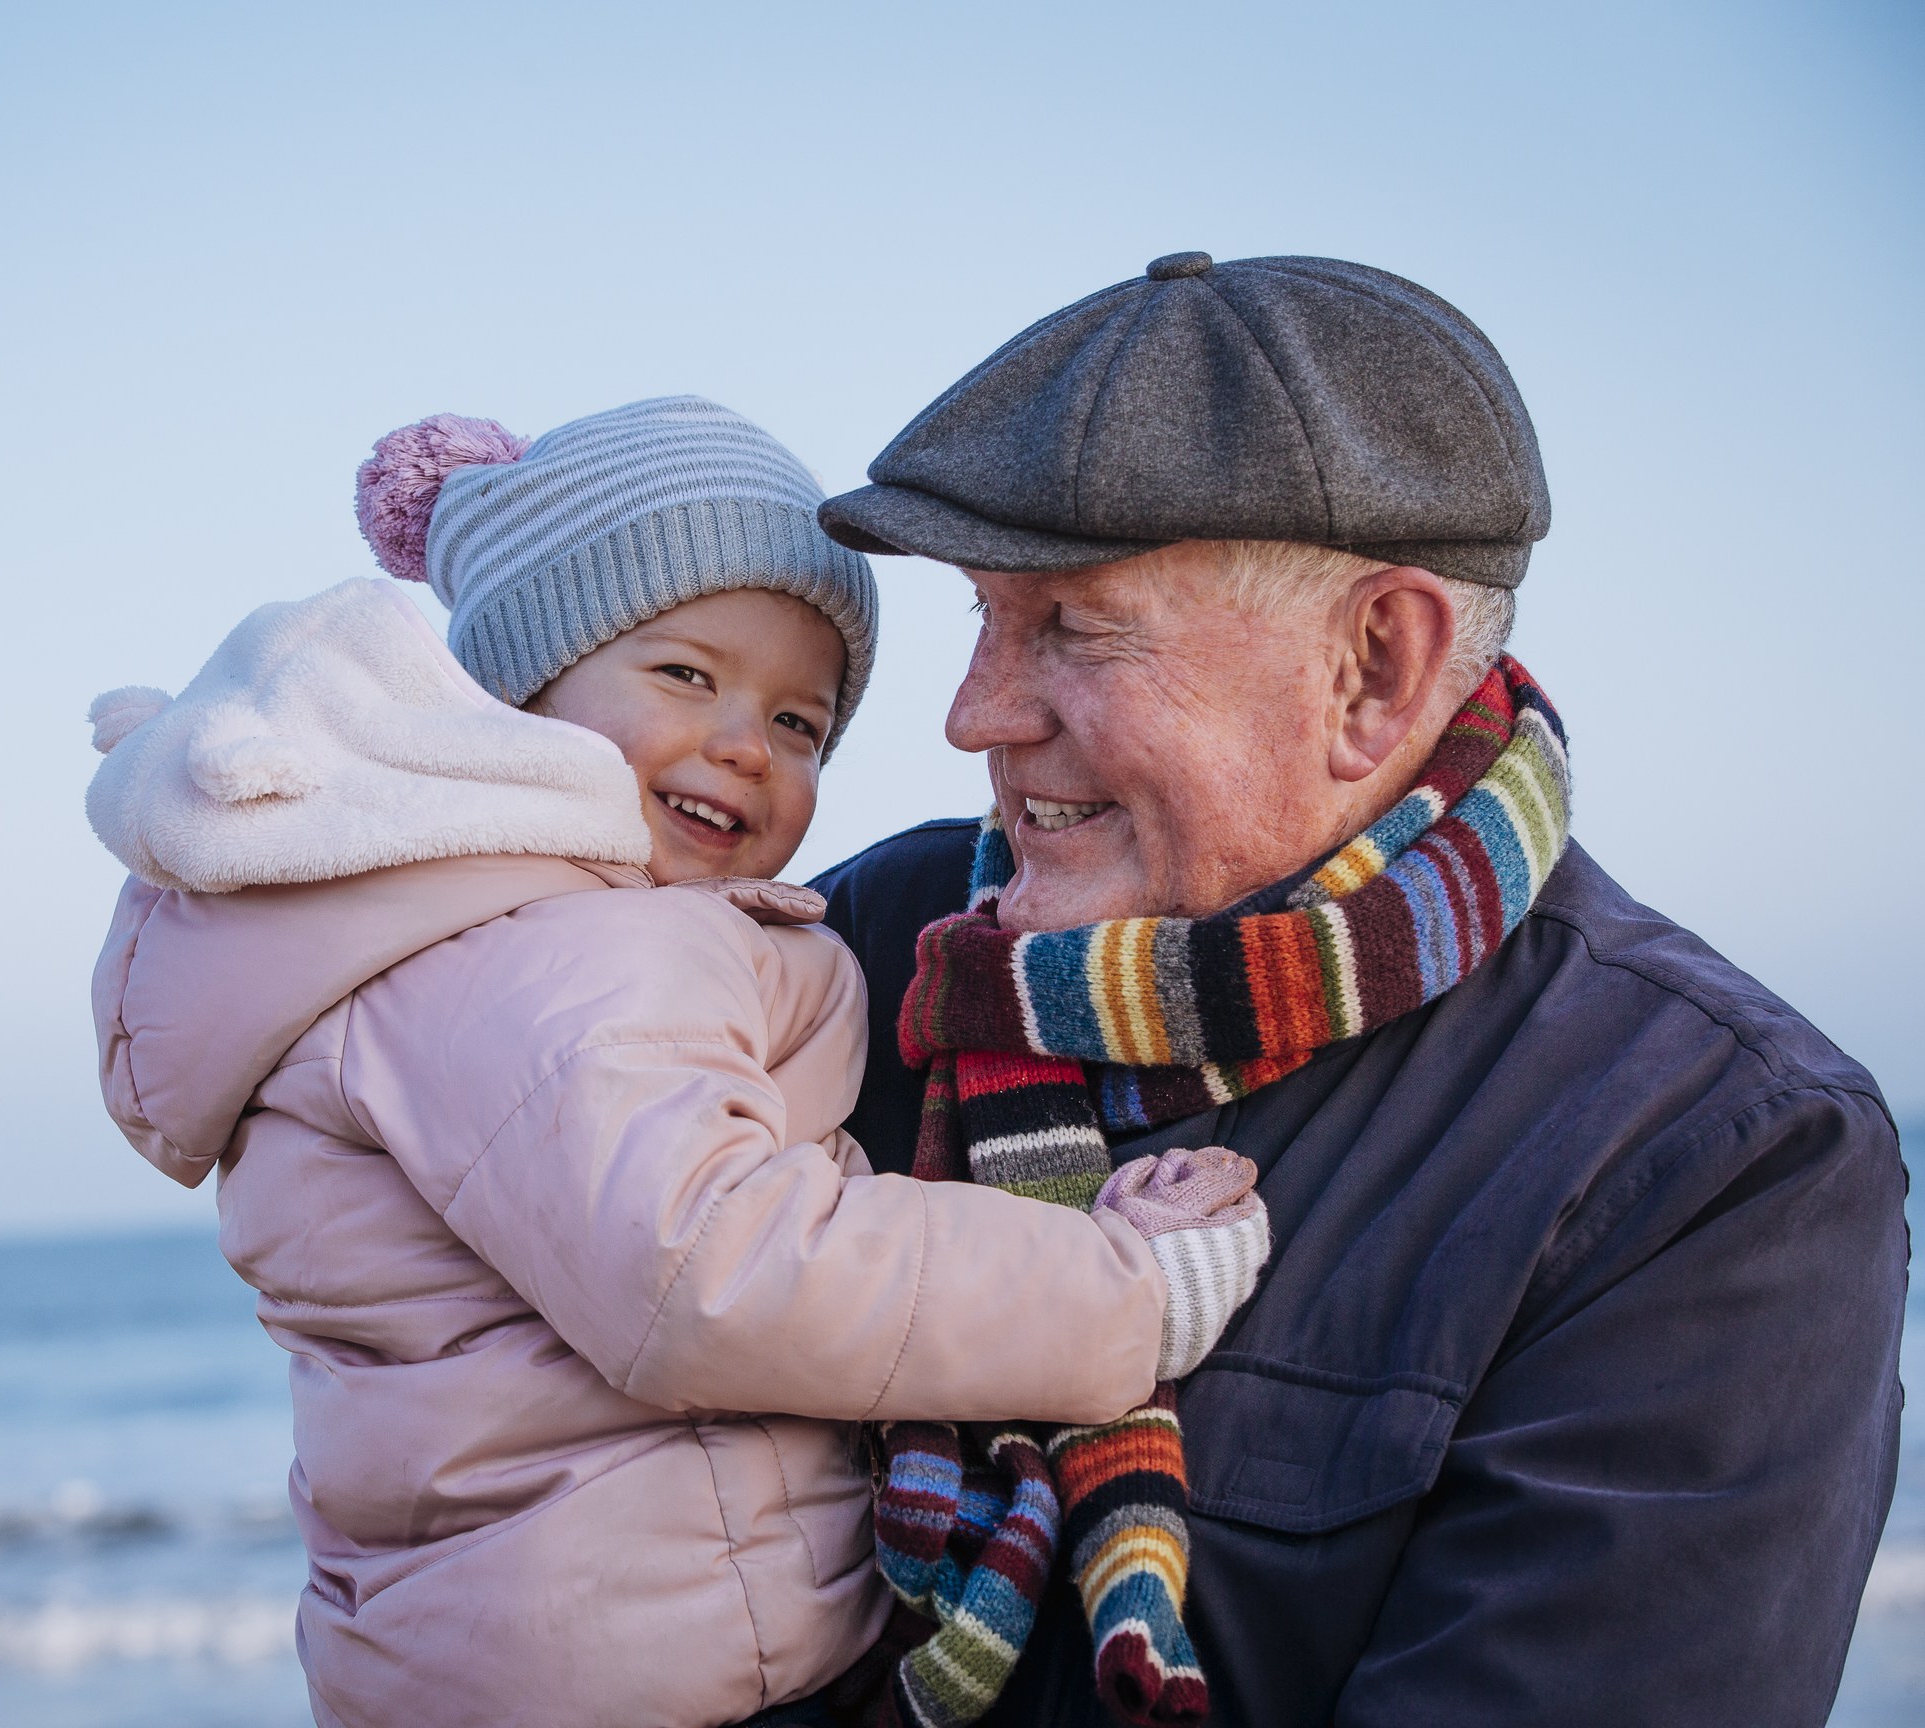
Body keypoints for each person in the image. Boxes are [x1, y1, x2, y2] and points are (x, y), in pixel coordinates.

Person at [809, 253, 1909, 1726]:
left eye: (1070, 627)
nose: (971, 716)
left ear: (1378, 670)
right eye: (980, 620)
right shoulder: (878, 937)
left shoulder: (1711, 1155)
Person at [79, 397, 1272, 1728]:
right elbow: (716, 1269)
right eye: (686, 676)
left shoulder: (457, 924)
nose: (744, 744)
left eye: (802, 722)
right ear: (518, 691)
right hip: (635, 1675)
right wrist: (1123, 1292)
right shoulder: (546, 957)